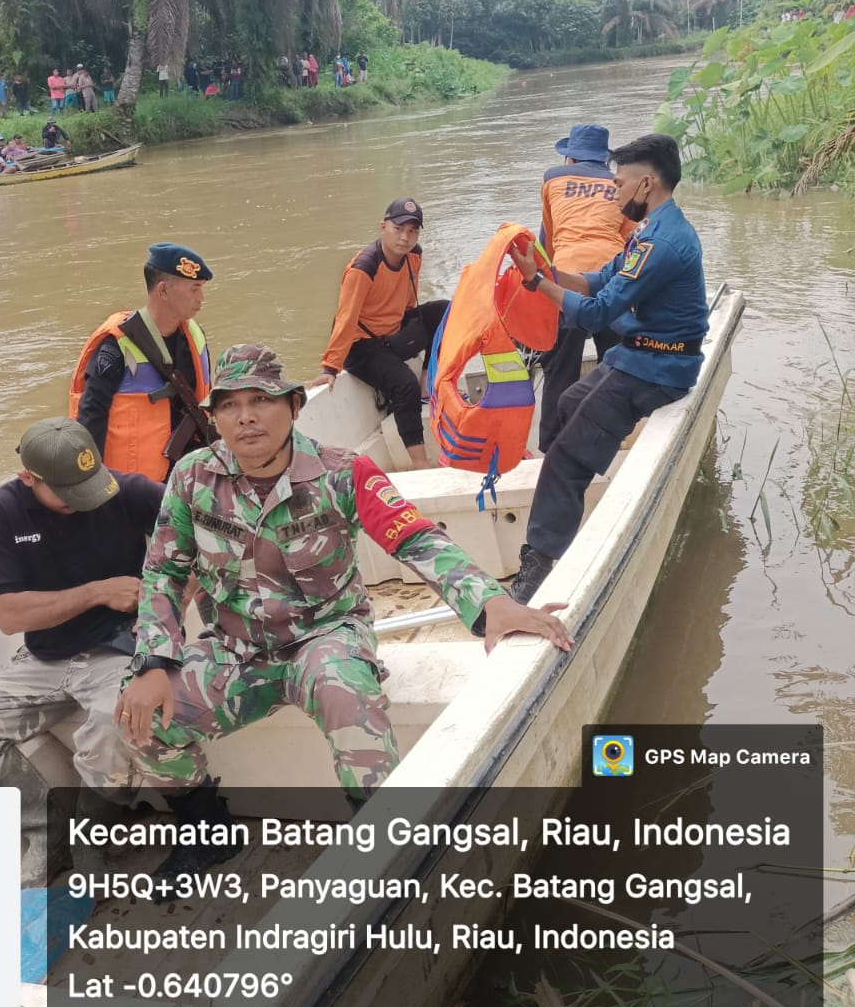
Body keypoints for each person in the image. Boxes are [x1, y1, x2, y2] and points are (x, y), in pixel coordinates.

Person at [116, 345, 571, 866]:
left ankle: (384, 855)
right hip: (233, 647)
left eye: (261, 400)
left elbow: (416, 539)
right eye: (229, 405)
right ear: (214, 416)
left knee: (348, 701)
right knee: (139, 718)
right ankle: (207, 834)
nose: (245, 417)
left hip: (326, 635)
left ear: (292, 405)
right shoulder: (192, 476)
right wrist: (153, 661)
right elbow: (164, 571)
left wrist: (491, 604)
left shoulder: (343, 473)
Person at [0, 420, 161, 884]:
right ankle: (46, 833)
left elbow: (195, 545)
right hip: (43, 660)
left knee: (118, 721)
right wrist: (95, 592)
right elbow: (9, 616)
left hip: (118, 649)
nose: (86, 500)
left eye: (91, 486)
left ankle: (96, 841)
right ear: (28, 478)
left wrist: (165, 610)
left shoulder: (128, 492)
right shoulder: (0, 513)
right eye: (70, 492)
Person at [508, 133, 710, 604]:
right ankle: (576, 488)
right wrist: (542, 269)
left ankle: (536, 563)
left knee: (562, 457)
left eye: (618, 185)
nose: (613, 193)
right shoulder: (653, 230)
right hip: (640, 355)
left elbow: (597, 312)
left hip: (657, 369)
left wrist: (538, 283)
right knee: (570, 401)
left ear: (646, 184)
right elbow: (599, 278)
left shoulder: (661, 242)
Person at [309, 197, 446, 468]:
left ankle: (425, 385)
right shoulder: (364, 267)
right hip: (363, 347)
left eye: (412, 231)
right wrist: (330, 368)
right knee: (401, 383)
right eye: (398, 229)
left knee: (446, 312)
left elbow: (408, 298)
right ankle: (421, 462)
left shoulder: (414, 255)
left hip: (393, 334)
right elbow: (345, 319)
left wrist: (414, 325)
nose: (405, 238)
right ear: (383, 227)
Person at [69, 243, 213, 485]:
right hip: (132, 487)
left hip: (188, 473)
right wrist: (91, 485)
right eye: (194, 289)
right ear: (164, 291)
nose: (201, 299)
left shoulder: (195, 336)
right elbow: (91, 418)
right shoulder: (115, 347)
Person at [534, 123, 634, 453]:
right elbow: (632, 241)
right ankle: (613, 439)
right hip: (609, 279)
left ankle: (551, 445)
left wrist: (538, 287)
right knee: (615, 362)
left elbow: (547, 240)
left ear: (571, 158)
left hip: (566, 278)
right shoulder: (622, 185)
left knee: (560, 366)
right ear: (605, 160)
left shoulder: (552, 178)